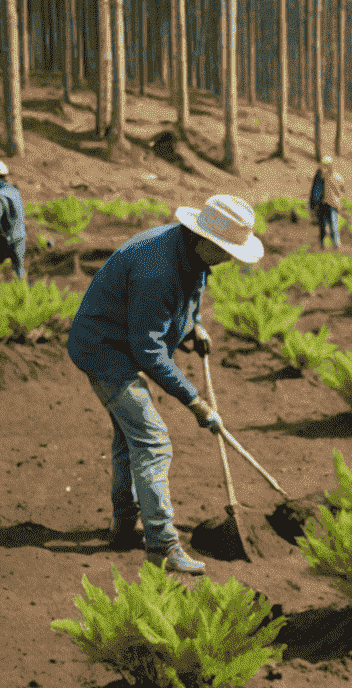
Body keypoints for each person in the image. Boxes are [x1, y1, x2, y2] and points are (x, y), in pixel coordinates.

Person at [66, 195, 263, 575]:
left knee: (131, 438)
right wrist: (195, 402)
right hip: (104, 350)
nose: (228, 258)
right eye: (225, 250)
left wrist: (195, 327)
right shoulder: (156, 268)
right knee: (153, 441)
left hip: (122, 342)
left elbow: (188, 294)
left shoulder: (189, 251)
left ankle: (124, 527)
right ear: (203, 237)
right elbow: (149, 351)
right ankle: (162, 545)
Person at [0, 160, 27, 285]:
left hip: (4, 239)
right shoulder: (14, 191)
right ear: (5, 176)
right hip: (20, 238)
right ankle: (26, 299)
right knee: (20, 273)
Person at [313, 157, 344, 249]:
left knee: (333, 224)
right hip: (324, 203)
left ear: (331, 165)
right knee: (325, 225)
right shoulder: (322, 176)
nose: (325, 167)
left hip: (332, 204)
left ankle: (336, 244)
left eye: (327, 165)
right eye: (324, 165)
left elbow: (341, 191)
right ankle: (326, 244)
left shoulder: (334, 177)